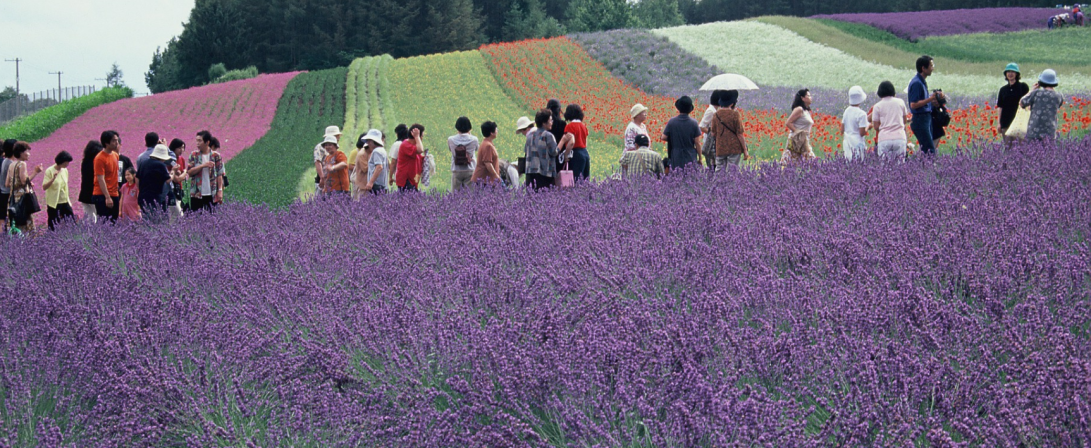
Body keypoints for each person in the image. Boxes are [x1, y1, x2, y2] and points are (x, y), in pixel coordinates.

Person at [908, 55, 944, 156]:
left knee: (927, 150)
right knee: (929, 151)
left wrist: (935, 99)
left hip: (926, 118)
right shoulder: (917, 83)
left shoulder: (922, 82)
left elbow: (923, 101)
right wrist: (930, 99)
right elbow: (913, 105)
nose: (933, 68)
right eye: (931, 65)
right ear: (923, 68)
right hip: (920, 120)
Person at [137, 144, 184, 221]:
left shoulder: (144, 163)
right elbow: (168, 180)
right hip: (155, 198)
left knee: (147, 221)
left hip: (143, 197)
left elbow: (137, 179)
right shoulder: (160, 165)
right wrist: (173, 171)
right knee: (159, 222)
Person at [5, 142, 43, 234]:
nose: (29, 154)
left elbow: (7, 183)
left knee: (16, 222)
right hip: (22, 199)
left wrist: (27, 183)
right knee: (26, 225)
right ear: (21, 153)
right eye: (27, 151)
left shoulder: (12, 164)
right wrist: (35, 172)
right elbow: (23, 181)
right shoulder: (22, 164)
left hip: (13, 198)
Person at [1021, 69, 1066, 142]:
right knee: (1048, 152)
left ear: (1041, 81)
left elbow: (1022, 103)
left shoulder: (1036, 93)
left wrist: (1032, 90)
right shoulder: (1059, 96)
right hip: (1050, 132)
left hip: (1034, 132)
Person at [871, 81, 910, 161]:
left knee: (884, 166)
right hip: (900, 137)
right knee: (900, 165)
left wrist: (885, 128)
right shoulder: (900, 102)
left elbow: (875, 126)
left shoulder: (877, 106)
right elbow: (904, 120)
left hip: (884, 138)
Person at [711, 90, 751, 169]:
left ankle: (718, 182)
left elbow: (713, 133)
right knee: (732, 171)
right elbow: (739, 133)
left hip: (720, 147)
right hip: (734, 148)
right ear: (732, 103)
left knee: (719, 170)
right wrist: (745, 150)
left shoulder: (716, 115)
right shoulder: (735, 114)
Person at [187, 130, 224, 213]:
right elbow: (190, 172)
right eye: (196, 141)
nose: (197, 143)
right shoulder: (193, 155)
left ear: (207, 142)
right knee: (196, 218)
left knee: (212, 218)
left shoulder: (216, 156)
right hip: (197, 193)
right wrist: (203, 165)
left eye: (200, 141)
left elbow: (219, 174)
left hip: (212, 192)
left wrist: (220, 191)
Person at [662, 96, 703, 171]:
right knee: (690, 176)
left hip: (676, 154)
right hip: (690, 153)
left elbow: (663, 137)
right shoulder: (693, 123)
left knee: (676, 175)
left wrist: (674, 139)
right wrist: (700, 158)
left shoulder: (672, 121)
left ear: (678, 108)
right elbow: (697, 142)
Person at [524, 109, 559, 190]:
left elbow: (526, 151)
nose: (552, 122)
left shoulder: (530, 136)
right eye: (550, 120)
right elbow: (554, 152)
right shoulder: (548, 135)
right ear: (544, 123)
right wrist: (563, 141)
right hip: (545, 173)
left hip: (530, 172)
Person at [997, 63, 1031, 143]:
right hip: (1006, 122)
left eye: (1012, 72)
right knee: (1008, 147)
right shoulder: (1003, 90)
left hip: (1019, 121)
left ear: (1017, 74)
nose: (1010, 74)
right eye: (1008, 72)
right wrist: (999, 123)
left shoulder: (1023, 87)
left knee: (1021, 147)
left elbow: (1028, 103)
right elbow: (1000, 106)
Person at [93, 130, 122, 223]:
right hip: (102, 195)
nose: (116, 143)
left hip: (114, 193)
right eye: (114, 140)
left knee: (114, 221)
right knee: (104, 223)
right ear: (106, 143)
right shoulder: (100, 158)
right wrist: (107, 197)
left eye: (117, 140)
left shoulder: (115, 155)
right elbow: (100, 179)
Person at [42, 150, 75, 230]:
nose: (68, 164)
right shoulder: (49, 170)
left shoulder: (65, 171)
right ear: (62, 161)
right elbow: (44, 187)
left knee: (71, 220)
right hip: (54, 202)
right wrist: (53, 179)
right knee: (53, 222)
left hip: (64, 200)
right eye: (67, 162)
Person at [783, 89, 816, 162]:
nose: (811, 97)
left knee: (799, 163)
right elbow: (788, 122)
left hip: (804, 140)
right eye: (809, 95)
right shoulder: (799, 109)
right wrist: (799, 132)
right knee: (811, 162)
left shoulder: (806, 111)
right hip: (796, 140)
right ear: (803, 98)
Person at [559, 104, 590, 181]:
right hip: (585, 152)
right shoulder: (583, 126)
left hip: (575, 154)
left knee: (575, 180)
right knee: (585, 179)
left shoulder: (569, 126)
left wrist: (566, 154)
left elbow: (571, 143)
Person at [448, 116, 480, 191]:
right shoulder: (474, 139)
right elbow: (477, 148)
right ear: (469, 127)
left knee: (455, 197)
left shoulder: (451, 139)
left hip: (456, 169)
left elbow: (450, 149)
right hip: (470, 169)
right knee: (470, 196)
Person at [76, 140, 104, 224]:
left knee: (88, 218)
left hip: (84, 194)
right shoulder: (96, 162)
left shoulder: (84, 162)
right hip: (95, 194)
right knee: (99, 217)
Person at [842, 86, 870, 161]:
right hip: (857, 143)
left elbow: (842, 129)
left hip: (847, 142)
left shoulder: (846, 111)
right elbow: (862, 133)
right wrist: (868, 126)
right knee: (859, 164)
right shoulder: (862, 114)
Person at [699, 90, 725, 168]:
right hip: (710, 143)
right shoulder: (710, 111)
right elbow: (701, 126)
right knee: (712, 166)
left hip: (714, 143)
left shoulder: (714, 110)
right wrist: (712, 133)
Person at [396, 124, 426, 192]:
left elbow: (418, 157)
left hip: (412, 179)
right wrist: (417, 137)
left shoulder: (413, 145)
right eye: (422, 136)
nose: (422, 138)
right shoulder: (406, 145)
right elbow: (420, 150)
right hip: (406, 180)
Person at [361, 129, 389, 195]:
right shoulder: (382, 150)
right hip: (382, 185)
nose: (368, 143)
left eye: (369, 141)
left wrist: (371, 182)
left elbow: (379, 167)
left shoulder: (376, 151)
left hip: (377, 185)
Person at [314, 125, 341, 194]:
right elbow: (317, 162)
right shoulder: (320, 147)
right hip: (324, 178)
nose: (339, 138)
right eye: (337, 136)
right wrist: (322, 178)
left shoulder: (335, 147)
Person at [167, 138, 187, 221]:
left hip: (179, 189)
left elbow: (181, 176)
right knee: (179, 215)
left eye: (183, 148)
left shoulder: (181, 159)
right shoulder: (169, 160)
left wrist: (183, 173)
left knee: (174, 216)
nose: (181, 150)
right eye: (179, 148)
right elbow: (176, 179)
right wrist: (185, 172)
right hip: (171, 190)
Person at [0, 139, 16, 231]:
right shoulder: (9, 162)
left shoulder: (4, 160)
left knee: (2, 215)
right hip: (6, 192)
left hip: (2, 191)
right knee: (4, 216)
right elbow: (9, 182)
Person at [389, 124, 408, 189]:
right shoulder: (410, 143)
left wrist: (390, 176)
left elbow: (393, 162)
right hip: (411, 174)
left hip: (400, 174)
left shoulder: (397, 144)